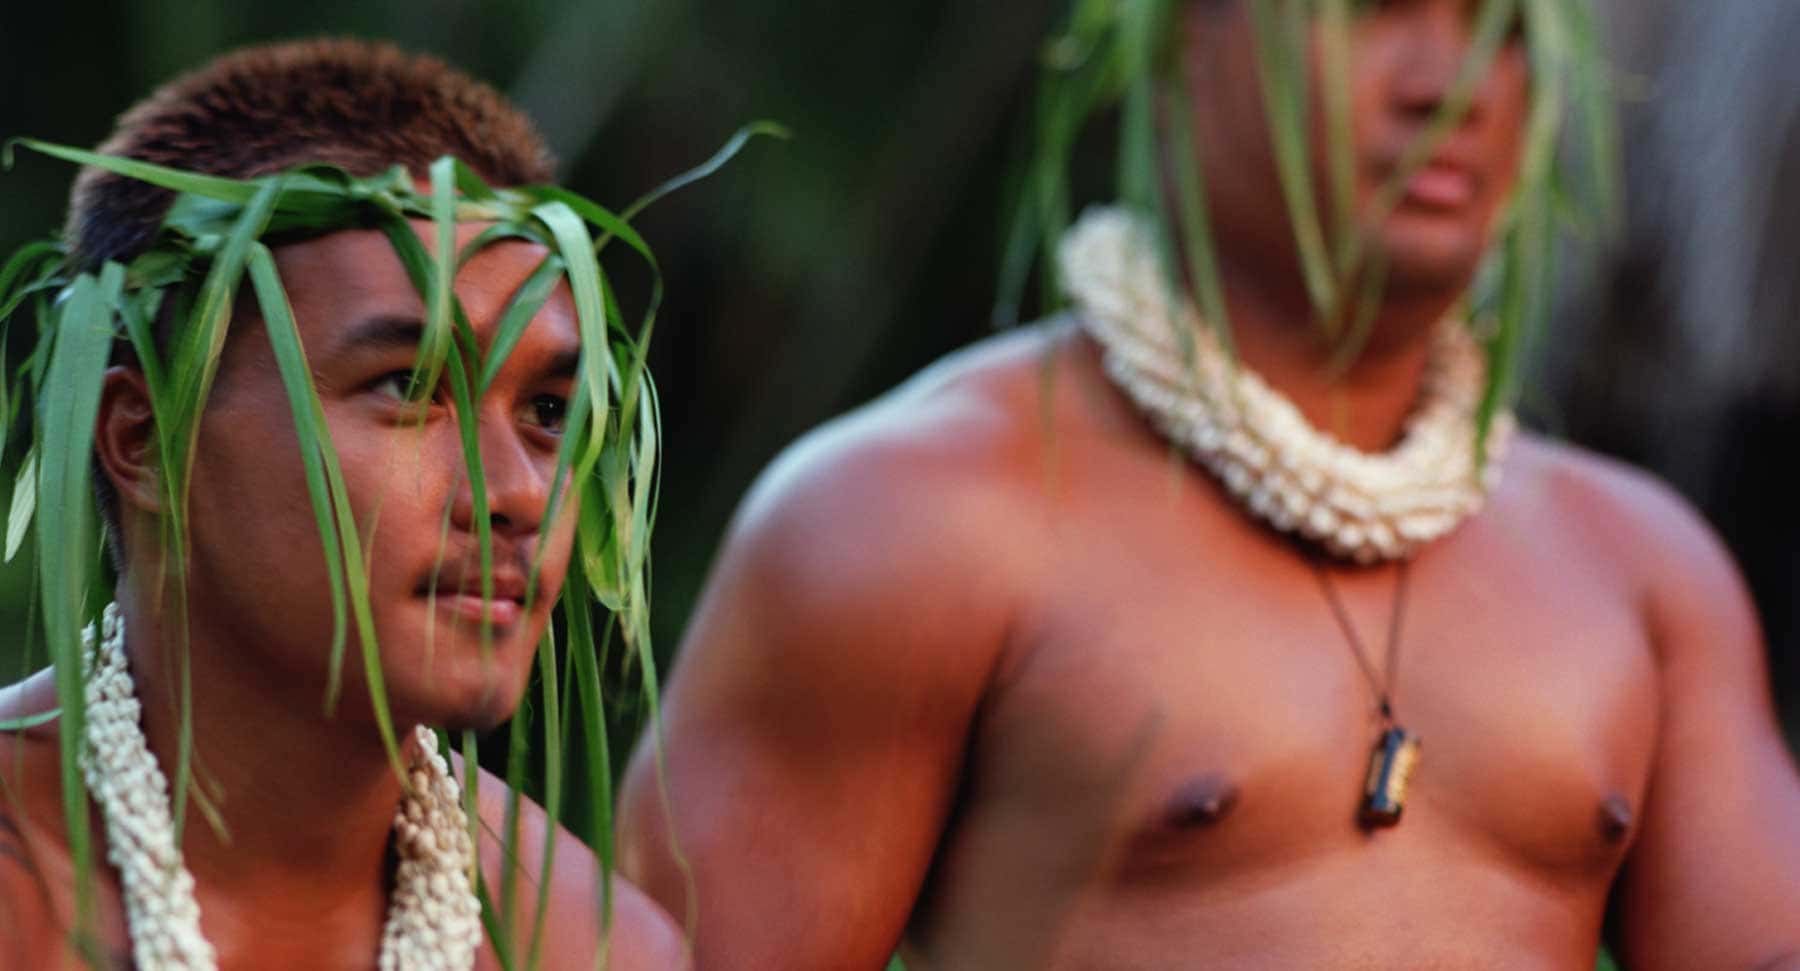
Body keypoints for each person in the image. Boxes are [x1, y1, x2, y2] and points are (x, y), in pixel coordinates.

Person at [619, 1, 1800, 968]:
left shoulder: (1645, 572)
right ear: (1187, 37)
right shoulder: (911, 517)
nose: (1452, 83)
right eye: (1378, 13)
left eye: (1502, 30)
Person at [0, 38, 687, 969]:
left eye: (548, 411)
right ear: (144, 439)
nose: (518, 492)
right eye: (410, 385)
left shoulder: (592, 946)